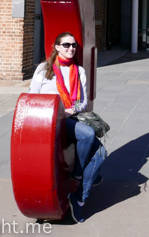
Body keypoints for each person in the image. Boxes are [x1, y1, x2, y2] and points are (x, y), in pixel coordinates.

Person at [29, 32, 106, 223]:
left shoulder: (79, 71)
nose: (70, 48)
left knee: (101, 154)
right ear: (56, 47)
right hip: (50, 121)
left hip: (71, 118)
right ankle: (79, 174)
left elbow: (84, 101)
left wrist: (72, 110)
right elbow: (33, 95)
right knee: (87, 135)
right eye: (66, 45)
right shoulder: (44, 69)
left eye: (73, 45)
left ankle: (79, 198)